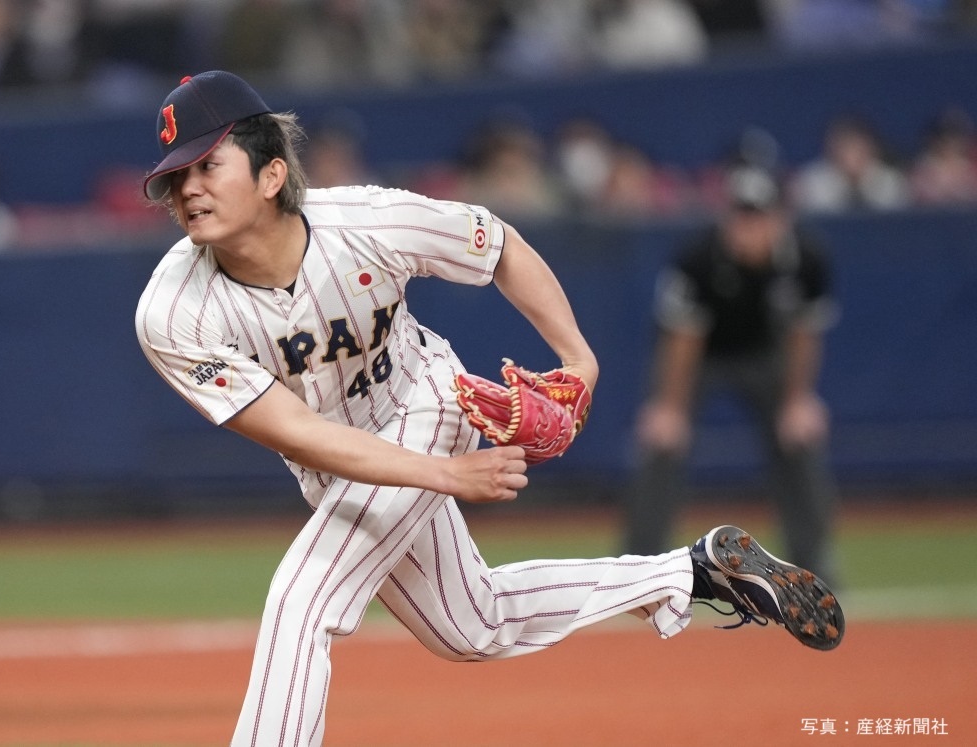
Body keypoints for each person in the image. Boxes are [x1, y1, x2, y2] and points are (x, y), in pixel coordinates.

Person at [135, 71, 845, 747]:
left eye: (207, 165)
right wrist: (444, 477)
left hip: (425, 402)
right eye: (175, 176)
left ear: (271, 174)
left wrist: (578, 359)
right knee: (474, 624)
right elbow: (298, 432)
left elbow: (497, 243)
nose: (187, 189)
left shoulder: (367, 221)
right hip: (341, 460)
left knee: (302, 599)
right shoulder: (172, 313)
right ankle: (692, 570)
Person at [624, 163, 840, 582]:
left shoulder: (806, 258)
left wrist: (798, 399)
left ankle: (814, 563)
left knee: (799, 438)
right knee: (661, 441)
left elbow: (804, 335)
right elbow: (682, 341)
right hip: (700, 360)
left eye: (759, 218)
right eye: (741, 217)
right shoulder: (700, 258)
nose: (748, 229)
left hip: (766, 356)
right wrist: (669, 407)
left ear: (781, 218)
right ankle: (639, 566)